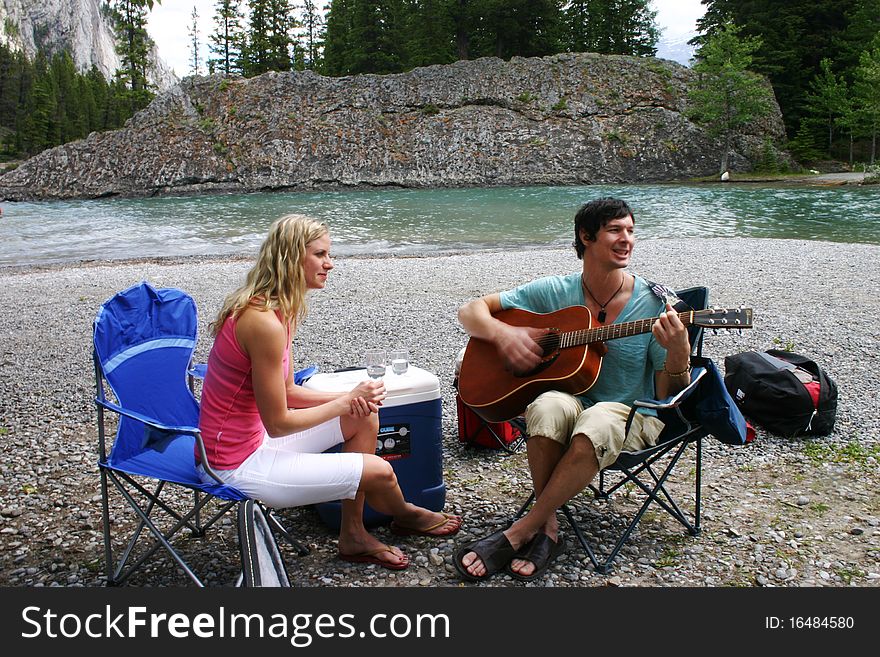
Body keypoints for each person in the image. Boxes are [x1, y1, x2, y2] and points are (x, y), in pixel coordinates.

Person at [198, 214, 461, 570]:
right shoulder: (262, 323)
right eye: (320, 254)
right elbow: (278, 422)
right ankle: (406, 513)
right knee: (380, 472)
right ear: (292, 257)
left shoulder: (276, 310)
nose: (330, 263)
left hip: (252, 440)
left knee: (364, 414)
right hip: (233, 464)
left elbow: (288, 391)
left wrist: (353, 399)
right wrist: (339, 401)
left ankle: (352, 535)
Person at [454, 197, 691, 582]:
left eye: (630, 230)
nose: (626, 239)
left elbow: (668, 392)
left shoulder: (654, 304)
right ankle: (547, 526)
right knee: (546, 405)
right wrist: (504, 334)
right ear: (586, 236)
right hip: (572, 400)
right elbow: (471, 310)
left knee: (595, 420)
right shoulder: (556, 291)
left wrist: (679, 352)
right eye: (615, 230)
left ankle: (522, 530)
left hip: (631, 413)